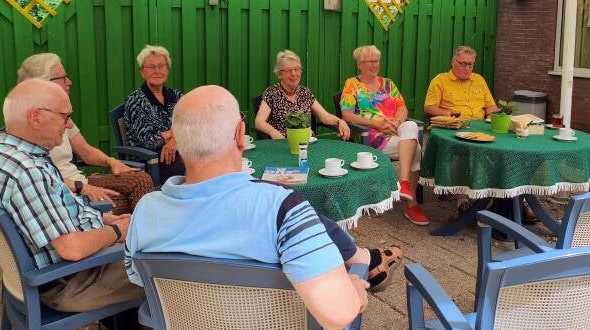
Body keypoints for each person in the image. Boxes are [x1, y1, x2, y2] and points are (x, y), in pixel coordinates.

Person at [125, 86, 403, 329]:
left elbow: (139, 280)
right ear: (240, 134)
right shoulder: (282, 210)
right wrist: (352, 284)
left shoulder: (145, 211)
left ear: (177, 139)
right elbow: (338, 314)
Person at [0, 79, 142, 312]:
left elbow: (52, 209)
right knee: (163, 265)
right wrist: (117, 231)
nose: (69, 125)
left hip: (51, 273)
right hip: (68, 282)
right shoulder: (28, 172)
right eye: (65, 116)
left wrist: (104, 219)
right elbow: (72, 249)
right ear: (35, 117)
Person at [17, 54, 154, 214]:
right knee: (134, 201)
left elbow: (86, 151)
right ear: (45, 83)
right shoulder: (30, 124)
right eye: (63, 78)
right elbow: (40, 179)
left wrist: (111, 161)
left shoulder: (60, 112)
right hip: (64, 193)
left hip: (81, 181)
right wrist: (82, 187)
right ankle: (135, 227)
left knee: (141, 180)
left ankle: (139, 226)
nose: (69, 82)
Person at [339, 45, 428, 226]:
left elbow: (402, 108)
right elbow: (347, 114)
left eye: (376, 60)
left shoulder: (388, 83)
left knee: (410, 125)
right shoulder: (352, 84)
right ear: (359, 64)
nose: (374, 64)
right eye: (369, 61)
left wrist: (397, 122)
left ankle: (404, 183)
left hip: (396, 131)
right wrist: (377, 124)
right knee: (417, 149)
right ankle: (411, 204)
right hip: (372, 136)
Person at [255, 49, 351, 140]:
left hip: (308, 143)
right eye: (289, 70)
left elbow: (324, 116)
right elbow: (259, 122)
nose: (294, 74)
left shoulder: (305, 93)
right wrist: (273, 132)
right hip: (282, 143)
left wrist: (339, 121)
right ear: (280, 74)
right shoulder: (272, 93)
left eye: (297, 69)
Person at [124, 45, 184, 180]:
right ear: (142, 71)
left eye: (161, 66)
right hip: (149, 159)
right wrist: (175, 133)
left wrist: (175, 140)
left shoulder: (176, 96)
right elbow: (148, 141)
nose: (157, 71)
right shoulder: (135, 101)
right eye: (151, 67)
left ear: (167, 69)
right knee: (185, 165)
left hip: (176, 150)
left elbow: (192, 124)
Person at [424, 45, 498, 120]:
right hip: (453, 124)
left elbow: (491, 106)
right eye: (463, 64)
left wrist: (490, 116)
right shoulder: (440, 81)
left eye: (470, 64)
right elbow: (429, 108)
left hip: (479, 124)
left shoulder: (479, 80)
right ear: (453, 62)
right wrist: (447, 113)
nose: (467, 68)